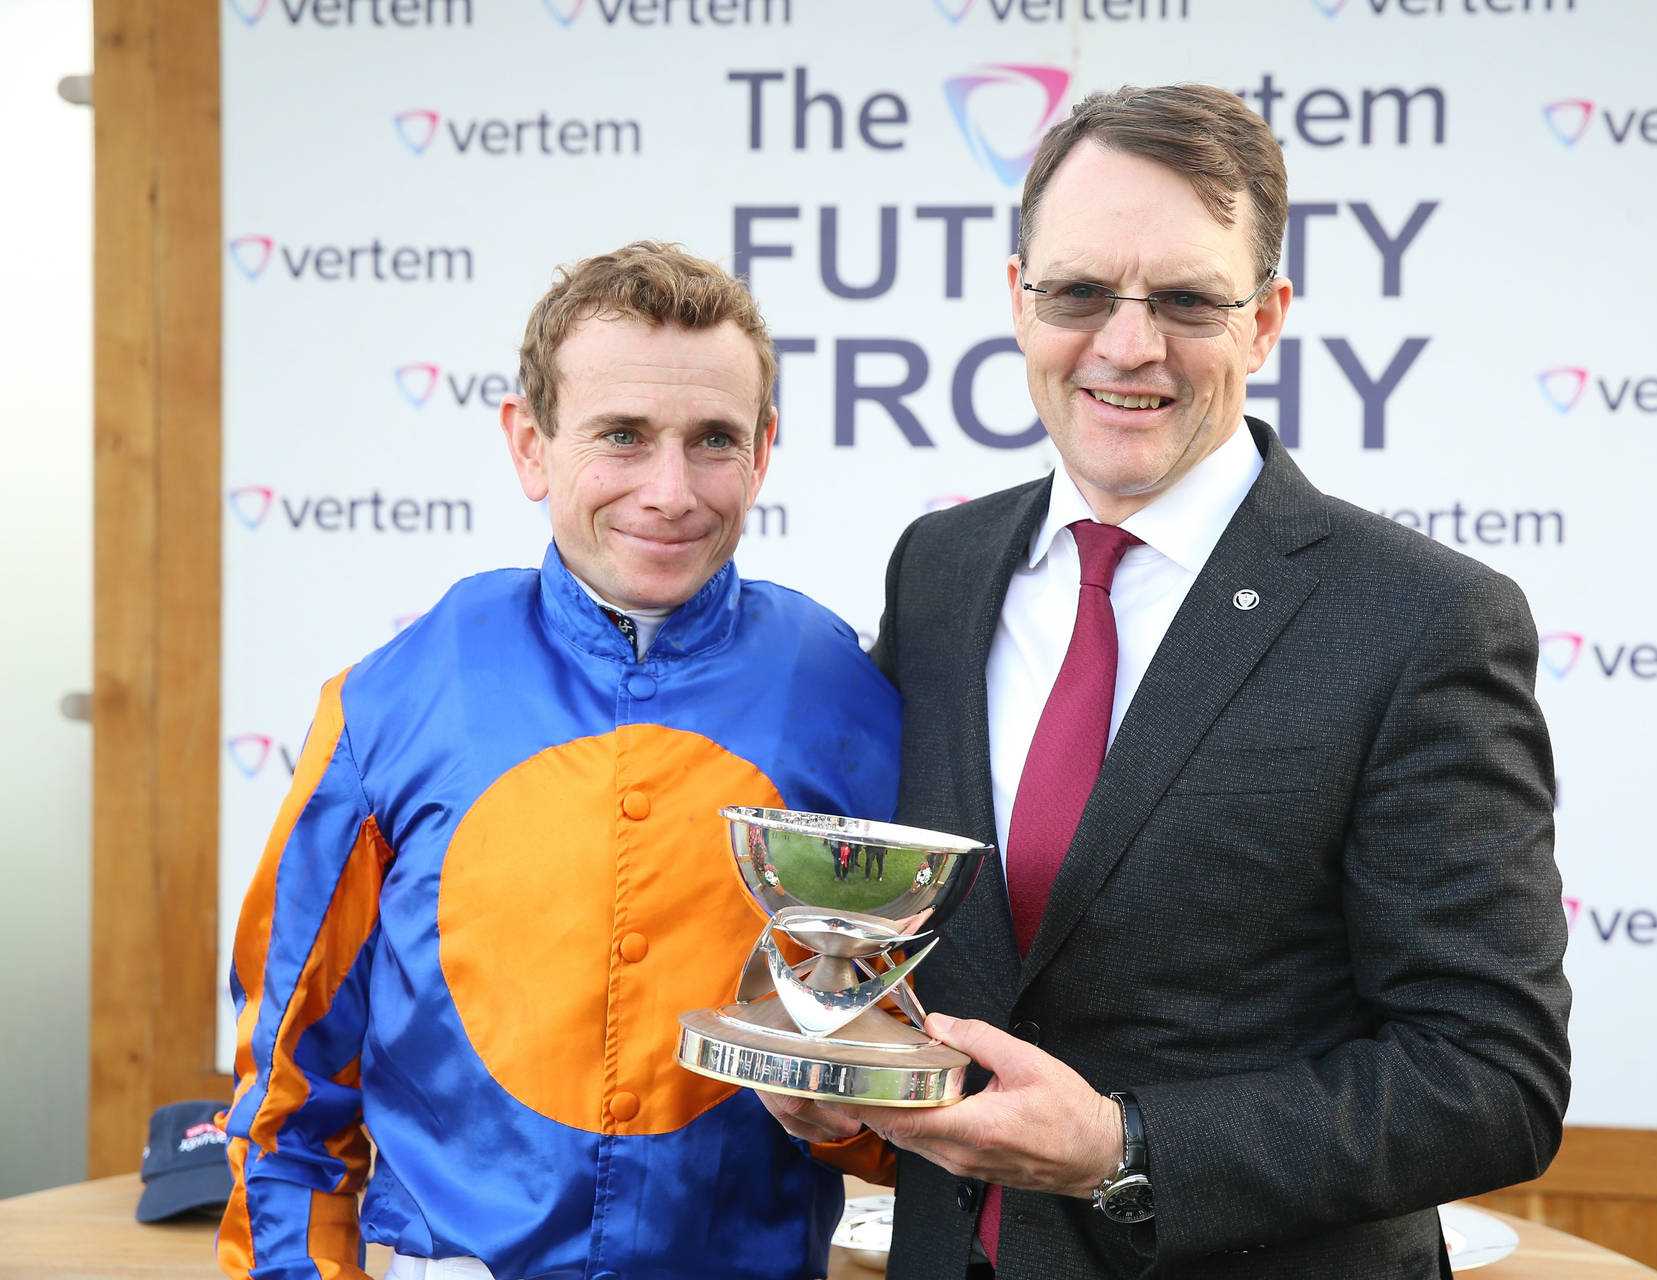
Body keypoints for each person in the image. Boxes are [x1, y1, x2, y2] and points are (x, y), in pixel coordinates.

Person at [759, 84, 1572, 1278]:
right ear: (1019, 298)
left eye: (1188, 299)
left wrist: (1121, 1145)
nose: (1126, 344)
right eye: (1080, 291)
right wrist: (825, 1057)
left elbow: (1491, 1078)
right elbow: (912, 924)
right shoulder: (941, 568)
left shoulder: (1424, 620)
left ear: (1266, 319)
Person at [219, 242, 900, 1280]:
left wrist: (846, 1117)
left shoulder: (848, 694)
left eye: (712, 439)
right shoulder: (396, 693)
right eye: (621, 436)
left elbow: (902, 1073)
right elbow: (287, 1090)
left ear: (763, 451)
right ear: (530, 444)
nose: (669, 490)